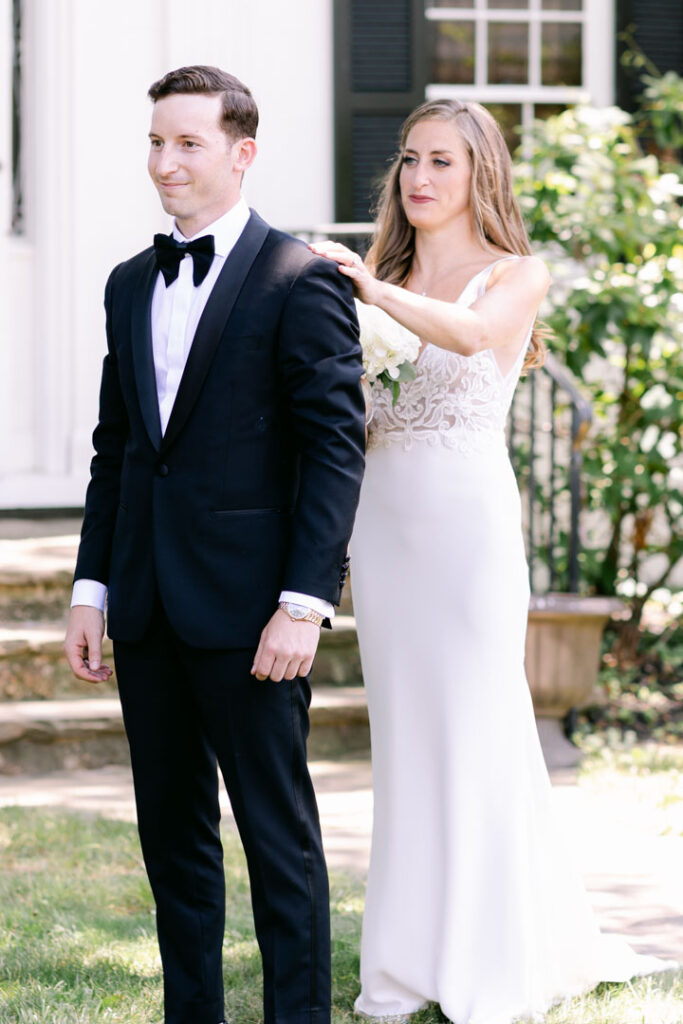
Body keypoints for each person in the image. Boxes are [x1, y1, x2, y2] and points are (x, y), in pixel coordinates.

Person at [311, 99, 673, 1024]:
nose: (418, 177)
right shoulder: (380, 274)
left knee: (476, 729)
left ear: (480, 175)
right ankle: (401, 963)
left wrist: (367, 289)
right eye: (407, 159)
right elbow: (349, 414)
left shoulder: (516, 274)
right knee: (406, 738)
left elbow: (471, 338)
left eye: (441, 161)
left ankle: (490, 956)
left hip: (467, 533)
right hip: (384, 532)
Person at [64, 65, 366, 1024]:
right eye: (156, 142)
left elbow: (332, 452)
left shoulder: (298, 279)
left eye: (188, 143)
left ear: (242, 153)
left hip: (253, 613)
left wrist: (303, 603)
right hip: (148, 605)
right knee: (174, 845)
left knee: (278, 842)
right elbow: (120, 450)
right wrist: (91, 585)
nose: (166, 163)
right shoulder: (126, 284)